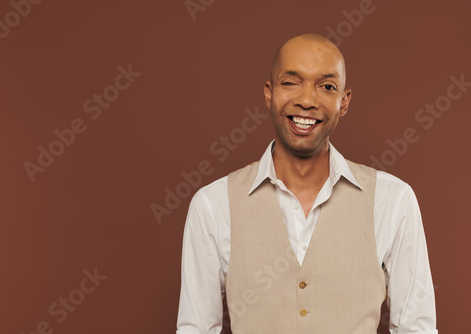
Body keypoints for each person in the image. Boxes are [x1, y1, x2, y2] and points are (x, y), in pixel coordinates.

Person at [176, 33, 437, 333]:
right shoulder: (213, 205)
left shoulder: (393, 200)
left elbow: (416, 328)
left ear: (344, 101)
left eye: (326, 86)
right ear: (268, 93)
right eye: (291, 82)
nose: (307, 100)